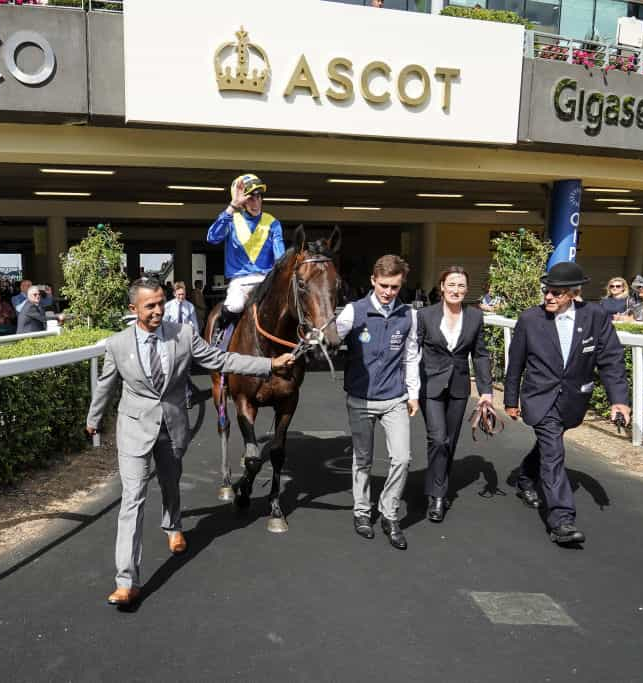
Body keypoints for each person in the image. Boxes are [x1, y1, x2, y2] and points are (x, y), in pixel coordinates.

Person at [85, 277, 295, 607]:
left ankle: (172, 524)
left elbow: (223, 360)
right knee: (133, 499)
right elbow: (105, 386)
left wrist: (269, 364)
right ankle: (126, 580)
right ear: (133, 309)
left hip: (173, 426)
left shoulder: (183, 335)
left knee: (170, 482)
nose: (157, 310)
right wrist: (93, 419)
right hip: (134, 429)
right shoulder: (117, 345)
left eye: (160, 303)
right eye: (149, 306)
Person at [504, 262, 630, 545]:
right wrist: (510, 399)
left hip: (573, 398)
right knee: (554, 454)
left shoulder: (595, 316)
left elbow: (610, 359)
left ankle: (525, 477)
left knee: (550, 447)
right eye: (547, 291)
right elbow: (516, 364)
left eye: (557, 293)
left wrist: (619, 400)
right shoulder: (530, 319)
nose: (549, 297)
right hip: (539, 396)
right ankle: (561, 520)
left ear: (574, 293)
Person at [336, 255, 420, 550]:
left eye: (395, 287)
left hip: (394, 399)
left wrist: (413, 394)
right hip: (360, 399)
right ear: (373, 280)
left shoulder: (409, 315)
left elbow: (411, 356)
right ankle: (361, 512)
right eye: (384, 285)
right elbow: (332, 336)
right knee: (363, 459)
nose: (388, 292)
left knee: (403, 458)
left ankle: (389, 513)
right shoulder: (353, 311)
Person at [417, 266, 493, 522]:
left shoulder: (474, 317)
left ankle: (436, 485)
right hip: (430, 386)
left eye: (461, 286)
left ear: (466, 289)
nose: (456, 290)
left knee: (448, 442)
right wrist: (408, 388)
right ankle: (438, 496)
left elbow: (480, 354)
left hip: (459, 386)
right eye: (451, 284)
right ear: (441, 287)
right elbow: (412, 352)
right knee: (437, 439)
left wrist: (486, 391)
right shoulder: (425, 316)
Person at [206, 173, 285, 344]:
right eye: (250, 198)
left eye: (259, 197)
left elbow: (280, 258)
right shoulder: (232, 219)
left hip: (266, 280)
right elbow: (212, 238)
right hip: (240, 281)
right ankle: (219, 339)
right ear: (242, 200)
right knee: (235, 305)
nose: (256, 202)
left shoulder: (273, 223)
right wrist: (232, 206)